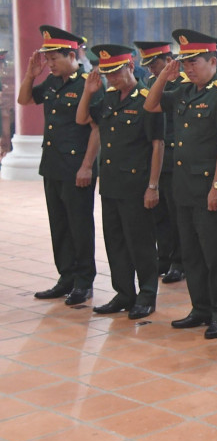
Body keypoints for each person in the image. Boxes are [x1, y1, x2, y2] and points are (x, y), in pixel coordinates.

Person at [144, 29, 217, 340]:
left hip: (210, 187)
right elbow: (150, 105)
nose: (188, 67)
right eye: (185, 62)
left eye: (194, 61)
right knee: (192, 254)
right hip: (184, 187)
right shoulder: (183, 91)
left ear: (213, 61)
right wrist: (164, 76)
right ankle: (201, 308)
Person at [75, 44, 163, 319]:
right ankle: (124, 293)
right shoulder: (109, 97)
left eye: (116, 72)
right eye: (107, 74)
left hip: (136, 185)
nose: (112, 79)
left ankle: (147, 294)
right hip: (111, 184)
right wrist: (89, 92)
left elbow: (158, 145)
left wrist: (152, 186)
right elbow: (82, 119)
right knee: (115, 241)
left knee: (141, 242)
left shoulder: (147, 99)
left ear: (130, 66)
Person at [18, 26, 99, 306]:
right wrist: (31, 75)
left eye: (54, 58)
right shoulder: (52, 82)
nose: (49, 64)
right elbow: (25, 99)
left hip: (77, 167)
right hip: (53, 164)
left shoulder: (88, 83)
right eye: (47, 58)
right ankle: (66, 277)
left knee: (80, 225)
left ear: (71, 55)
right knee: (59, 225)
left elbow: (96, 129)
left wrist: (87, 166)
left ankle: (84, 281)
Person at [136, 40, 185, 283]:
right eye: (148, 65)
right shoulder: (151, 85)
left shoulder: (183, 85)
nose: (151, 69)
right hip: (156, 160)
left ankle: (179, 261)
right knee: (159, 214)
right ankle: (164, 257)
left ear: (169, 61)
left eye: (155, 64)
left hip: (176, 159)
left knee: (177, 216)